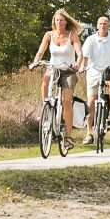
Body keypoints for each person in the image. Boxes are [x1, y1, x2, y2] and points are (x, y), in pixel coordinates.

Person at [29, 8, 85, 153]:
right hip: (53, 68)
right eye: (56, 20)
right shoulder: (49, 35)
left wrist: (78, 65)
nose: (59, 22)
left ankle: (68, 137)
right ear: (54, 22)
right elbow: (41, 52)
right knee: (46, 79)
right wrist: (35, 62)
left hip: (68, 71)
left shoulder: (72, 36)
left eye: (61, 20)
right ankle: (45, 108)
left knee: (66, 100)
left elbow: (80, 54)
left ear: (66, 22)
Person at [81, 15, 110, 143]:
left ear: (109, 26)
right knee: (90, 101)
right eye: (100, 23)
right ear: (97, 25)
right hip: (93, 70)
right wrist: (82, 67)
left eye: (105, 24)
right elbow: (85, 56)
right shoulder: (91, 39)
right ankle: (89, 133)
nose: (102, 26)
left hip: (109, 70)